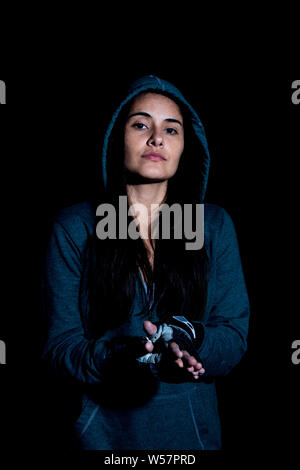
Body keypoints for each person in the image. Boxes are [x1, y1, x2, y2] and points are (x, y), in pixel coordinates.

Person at [41, 75, 250, 450]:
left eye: (171, 129)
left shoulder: (213, 225)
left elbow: (234, 336)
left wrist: (192, 338)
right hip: (101, 440)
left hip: (193, 441)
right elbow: (60, 347)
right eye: (141, 124)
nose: (157, 139)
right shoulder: (74, 226)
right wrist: (128, 354)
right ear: (115, 137)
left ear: (187, 145)